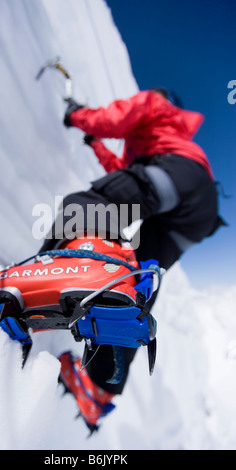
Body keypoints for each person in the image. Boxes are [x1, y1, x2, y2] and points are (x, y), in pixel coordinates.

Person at [40, 88, 224, 432]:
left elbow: (114, 119)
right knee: (134, 282)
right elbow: (125, 172)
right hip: (199, 208)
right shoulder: (173, 136)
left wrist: (77, 115)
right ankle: (98, 391)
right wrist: (95, 144)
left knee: (87, 203)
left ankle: (47, 277)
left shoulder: (155, 104)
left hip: (174, 175)